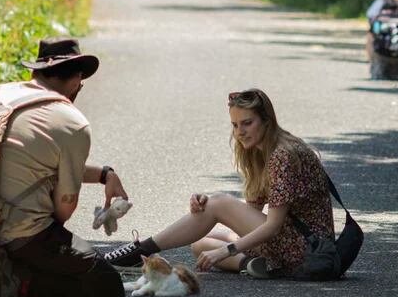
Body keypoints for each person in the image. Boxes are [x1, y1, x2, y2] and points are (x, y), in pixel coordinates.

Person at [103, 89, 335, 279]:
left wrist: (225, 244)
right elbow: (252, 213)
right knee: (200, 244)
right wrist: (205, 211)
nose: (240, 132)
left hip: (310, 251)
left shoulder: (283, 154)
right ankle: (253, 264)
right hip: (293, 246)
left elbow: (272, 226)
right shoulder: (260, 151)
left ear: (266, 121)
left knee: (220, 210)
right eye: (234, 125)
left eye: (247, 123)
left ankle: (139, 251)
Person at [0, 38, 129, 297]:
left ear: (34, 73)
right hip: (20, 233)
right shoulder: (71, 121)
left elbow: (34, 162)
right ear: (76, 81)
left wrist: (104, 174)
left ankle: (0, 266)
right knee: (107, 286)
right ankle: (15, 285)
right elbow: (64, 207)